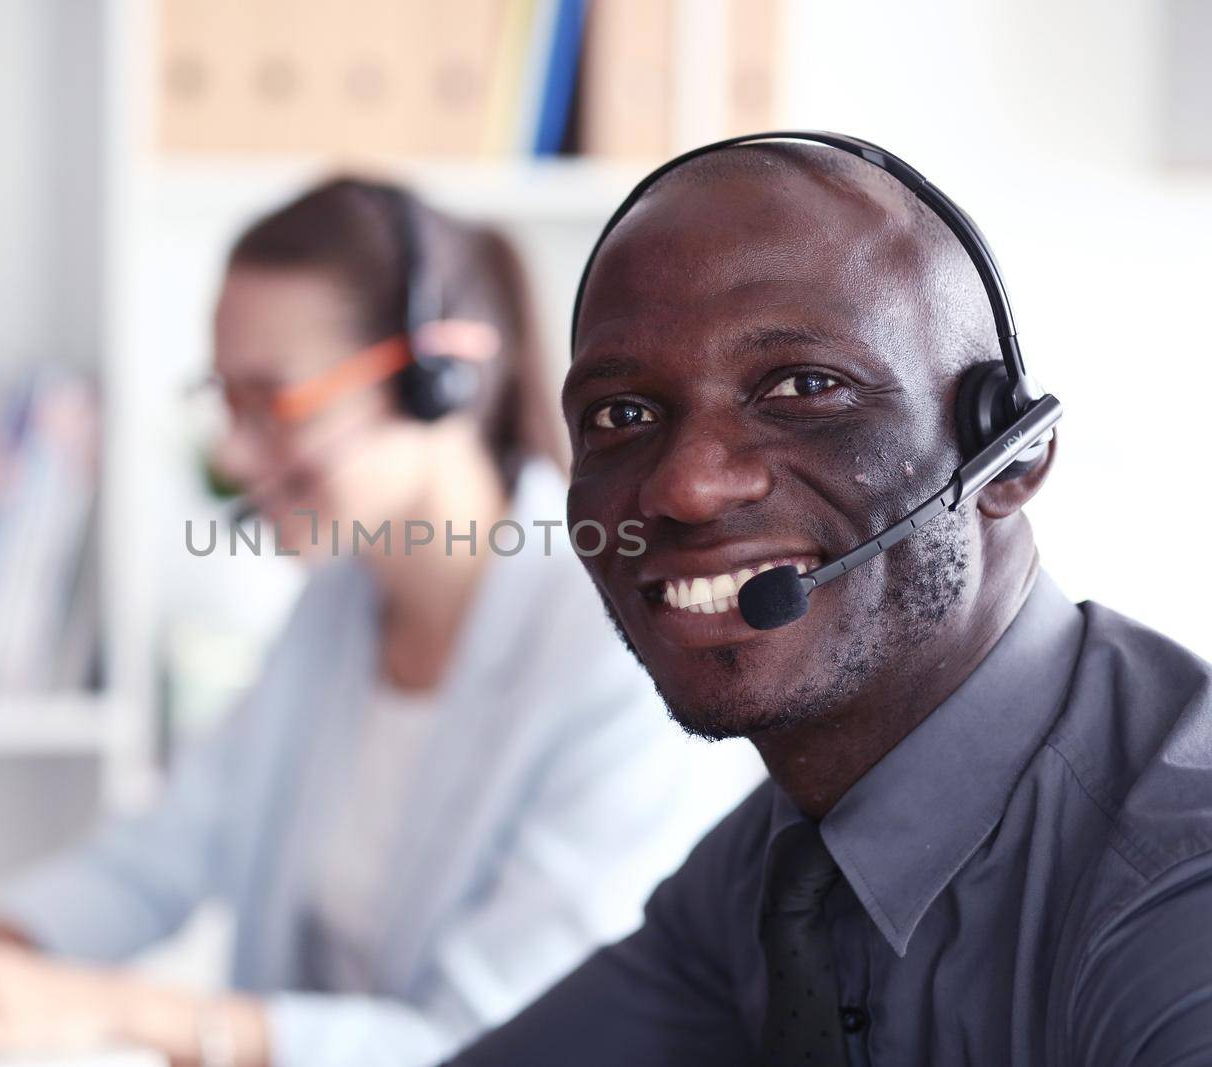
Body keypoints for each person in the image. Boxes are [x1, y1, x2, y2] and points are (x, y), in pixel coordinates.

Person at [0, 177, 761, 1066]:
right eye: (223, 402)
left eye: (273, 403)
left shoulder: (620, 658)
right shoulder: (339, 605)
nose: (234, 458)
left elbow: (489, 1042)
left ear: (435, 378)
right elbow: (160, 853)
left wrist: (115, 1009)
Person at [444, 135, 1212, 1066]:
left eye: (806, 388)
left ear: (1009, 453)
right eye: (623, 415)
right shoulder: (780, 864)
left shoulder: (1177, 883)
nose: (686, 486)